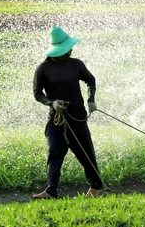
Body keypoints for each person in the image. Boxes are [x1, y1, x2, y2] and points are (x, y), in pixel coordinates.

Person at [32, 26, 103, 199]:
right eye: (66, 49)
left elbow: (90, 80)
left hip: (77, 116)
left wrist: (91, 99)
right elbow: (37, 94)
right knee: (54, 152)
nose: (70, 51)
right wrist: (52, 103)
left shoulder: (76, 65)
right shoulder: (43, 69)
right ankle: (51, 191)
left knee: (86, 152)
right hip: (56, 118)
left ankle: (95, 188)